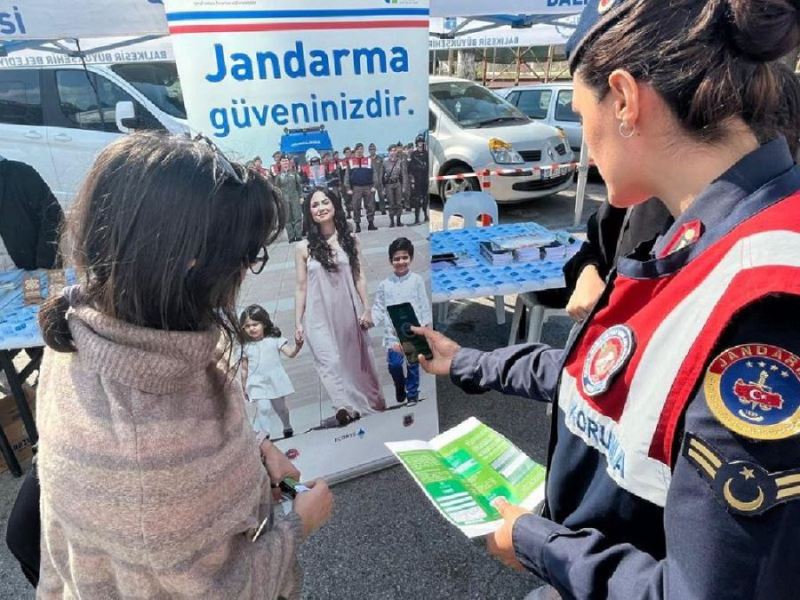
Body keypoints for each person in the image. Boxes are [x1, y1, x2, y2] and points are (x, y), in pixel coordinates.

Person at [415, 1, 800, 598]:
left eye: (578, 111)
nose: (584, 144)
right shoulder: (698, 239)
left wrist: (536, 544)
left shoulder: (762, 297)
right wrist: (464, 361)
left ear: (623, 99)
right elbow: (609, 370)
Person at [32, 133, 333, 599]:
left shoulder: (78, 335)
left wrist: (249, 455)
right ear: (192, 266)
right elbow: (225, 590)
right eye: (246, 257)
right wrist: (297, 526)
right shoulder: (151, 442)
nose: (241, 276)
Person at [295, 187, 386, 426]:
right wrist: (297, 321)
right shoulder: (303, 248)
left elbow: (359, 276)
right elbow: (301, 287)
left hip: (348, 311)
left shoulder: (351, 240)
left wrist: (367, 308)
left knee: (356, 362)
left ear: (335, 205)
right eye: (314, 205)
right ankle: (343, 407)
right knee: (329, 361)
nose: (320, 208)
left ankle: (365, 405)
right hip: (318, 315)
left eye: (325, 202)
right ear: (308, 212)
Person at [372, 237, 431, 405]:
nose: (401, 261)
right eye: (397, 258)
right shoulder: (385, 284)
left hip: (413, 331)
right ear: (391, 260)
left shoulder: (417, 280)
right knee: (394, 365)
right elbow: (378, 306)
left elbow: (423, 303)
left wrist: (425, 327)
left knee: (413, 364)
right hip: (393, 334)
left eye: (404, 257)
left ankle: (412, 393)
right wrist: (370, 321)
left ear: (410, 258)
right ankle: (399, 384)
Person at [241, 304, 302, 439]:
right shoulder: (245, 347)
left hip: (275, 380)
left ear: (264, 324)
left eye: (255, 324)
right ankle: (265, 433)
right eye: (247, 326)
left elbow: (290, 353)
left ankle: (287, 426)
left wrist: (297, 346)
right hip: (256, 381)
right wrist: (244, 385)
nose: (251, 328)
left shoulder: (274, 340)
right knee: (263, 408)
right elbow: (244, 368)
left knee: (281, 409)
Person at [0, 156, 63, 272]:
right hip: (5, 277)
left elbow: (54, 215)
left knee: (47, 288)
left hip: (36, 268)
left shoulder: (22, 174)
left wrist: (45, 264)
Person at [345, 142, 379, 232]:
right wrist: (348, 188)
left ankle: (371, 223)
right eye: (358, 149)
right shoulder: (351, 161)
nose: (360, 151)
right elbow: (347, 176)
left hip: (368, 187)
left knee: (370, 206)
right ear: (355, 150)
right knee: (356, 206)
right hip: (356, 188)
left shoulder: (368, 160)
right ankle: (357, 225)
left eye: (362, 149)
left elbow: (374, 173)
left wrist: (375, 185)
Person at [275, 155, 304, 243]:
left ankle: (298, 235)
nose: (285, 163)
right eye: (283, 161)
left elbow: (299, 186)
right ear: (280, 163)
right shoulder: (278, 176)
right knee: (288, 218)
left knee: (297, 216)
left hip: (295, 197)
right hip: (284, 199)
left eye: (286, 161)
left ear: (289, 162)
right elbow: (277, 189)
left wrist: (301, 196)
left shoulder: (294, 174)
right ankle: (291, 236)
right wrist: (279, 201)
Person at [383, 144, 408, 228]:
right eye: (391, 151)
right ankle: (392, 221)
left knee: (399, 203)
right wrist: (382, 187)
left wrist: (404, 186)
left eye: (394, 150)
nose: (393, 152)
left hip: (397, 184)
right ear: (389, 152)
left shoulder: (400, 161)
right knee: (391, 203)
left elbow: (404, 174)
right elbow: (381, 175)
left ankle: (398, 220)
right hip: (389, 184)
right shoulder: (385, 162)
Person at [407, 135, 428, 224]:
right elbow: (410, 168)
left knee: (425, 198)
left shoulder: (426, 153)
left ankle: (426, 215)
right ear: (416, 144)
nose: (420, 144)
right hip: (417, 179)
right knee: (417, 200)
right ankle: (416, 218)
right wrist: (412, 179)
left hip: (424, 178)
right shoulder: (413, 154)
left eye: (421, 142)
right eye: (419, 143)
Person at [369, 142, 387, 215]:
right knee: (371, 198)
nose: (372, 150)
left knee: (381, 196)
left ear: (375, 149)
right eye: (370, 149)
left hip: (380, 180)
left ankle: (383, 209)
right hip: (372, 181)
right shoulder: (368, 159)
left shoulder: (380, 158)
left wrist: (380, 178)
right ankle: (372, 211)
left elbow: (382, 169)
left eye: (373, 149)